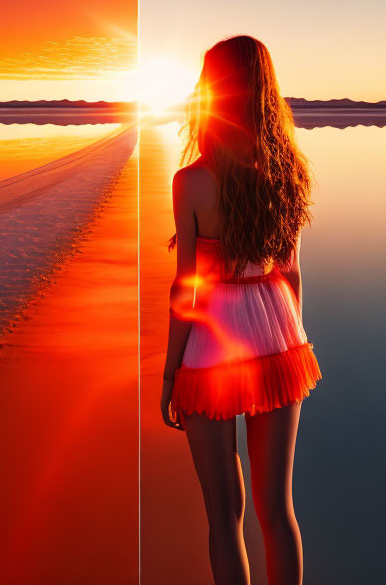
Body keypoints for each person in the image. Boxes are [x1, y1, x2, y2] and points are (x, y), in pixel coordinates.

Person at [160, 35, 322, 585]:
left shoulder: (191, 182)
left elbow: (187, 287)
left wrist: (168, 374)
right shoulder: (288, 172)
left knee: (224, 517)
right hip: (277, 331)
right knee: (278, 513)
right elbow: (291, 271)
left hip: (212, 344)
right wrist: (293, 339)